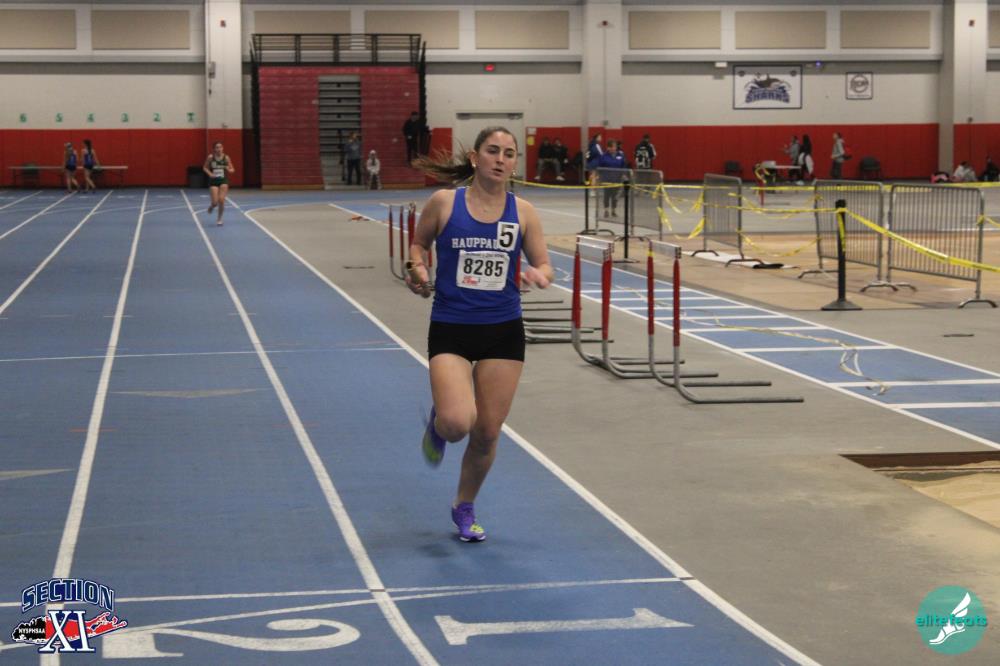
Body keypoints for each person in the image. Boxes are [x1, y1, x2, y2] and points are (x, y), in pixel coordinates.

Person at [406, 126, 553, 542]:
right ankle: (439, 425)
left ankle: (464, 505)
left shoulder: (523, 212)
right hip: (452, 327)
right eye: (492, 151)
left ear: (515, 163)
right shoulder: (444, 203)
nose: (501, 159)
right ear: (475, 158)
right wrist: (417, 269)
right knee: (457, 424)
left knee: (487, 433)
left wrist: (539, 274)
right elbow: (418, 245)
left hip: (502, 330)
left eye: (509, 153)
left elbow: (544, 263)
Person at [202, 141, 234, 226]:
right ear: (214, 149)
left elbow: (232, 170)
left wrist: (228, 169)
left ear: (223, 148)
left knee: (221, 200)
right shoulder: (210, 157)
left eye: (220, 147)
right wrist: (210, 174)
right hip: (214, 181)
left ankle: (219, 219)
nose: (219, 149)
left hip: (223, 181)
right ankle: (211, 206)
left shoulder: (226, 158)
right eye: (217, 147)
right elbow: (205, 167)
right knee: (215, 202)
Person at [597, 139, 628, 218]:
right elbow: (599, 167)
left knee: (615, 196)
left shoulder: (620, 155)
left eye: (615, 146)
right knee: (607, 195)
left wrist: (624, 174)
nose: (614, 148)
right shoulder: (603, 156)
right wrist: (599, 177)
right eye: (612, 147)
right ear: (608, 148)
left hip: (617, 179)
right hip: (607, 179)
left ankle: (613, 210)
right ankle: (606, 210)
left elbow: (623, 165)